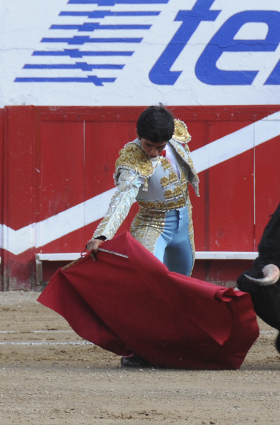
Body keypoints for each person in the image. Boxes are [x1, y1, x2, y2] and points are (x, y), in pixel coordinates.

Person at [86, 105, 200, 367]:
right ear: (138, 134)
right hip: (152, 225)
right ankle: (139, 349)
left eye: (160, 147)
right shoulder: (131, 160)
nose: (153, 152)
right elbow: (123, 198)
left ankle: (175, 346)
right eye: (149, 145)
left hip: (184, 224)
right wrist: (102, 235)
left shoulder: (176, 134)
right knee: (148, 288)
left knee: (181, 291)